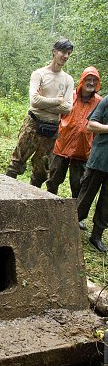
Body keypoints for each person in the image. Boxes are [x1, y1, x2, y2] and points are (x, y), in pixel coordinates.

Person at [6, 39, 74, 187]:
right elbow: (34, 102)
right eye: (63, 52)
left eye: (69, 53)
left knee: (41, 170)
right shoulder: (39, 74)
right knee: (16, 162)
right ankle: (3, 195)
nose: (66, 56)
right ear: (55, 51)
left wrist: (44, 104)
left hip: (51, 127)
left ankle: (31, 201)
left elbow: (68, 108)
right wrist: (57, 100)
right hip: (33, 123)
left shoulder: (68, 80)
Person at [46, 66, 102, 199]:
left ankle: (75, 215)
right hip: (61, 145)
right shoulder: (70, 96)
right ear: (82, 80)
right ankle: (49, 206)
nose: (91, 83)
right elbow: (55, 114)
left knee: (78, 185)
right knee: (53, 180)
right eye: (88, 79)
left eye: (94, 80)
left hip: (83, 150)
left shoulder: (99, 102)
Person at [77, 95, 108, 253]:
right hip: (99, 158)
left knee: (107, 204)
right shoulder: (106, 101)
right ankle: (73, 224)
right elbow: (91, 125)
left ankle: (96, 235)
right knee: (86, 194)